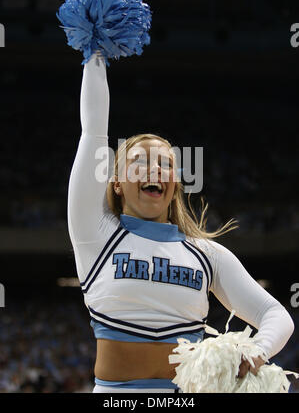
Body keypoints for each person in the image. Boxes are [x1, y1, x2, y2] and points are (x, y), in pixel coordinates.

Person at [67, 52, 294, 393]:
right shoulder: (96, 236)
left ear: (174, 181)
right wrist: (94, 48)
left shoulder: (206, 254)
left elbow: (275, 314)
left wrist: (256, 353)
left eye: (164, 163)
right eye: (140, 161)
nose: (154, 169)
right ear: (115, 182)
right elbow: (93, 131)